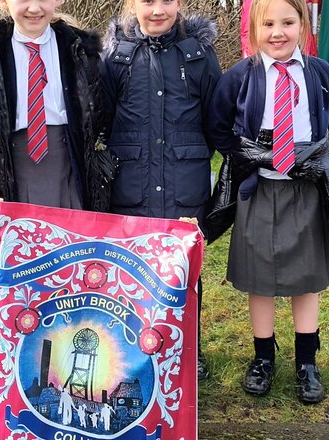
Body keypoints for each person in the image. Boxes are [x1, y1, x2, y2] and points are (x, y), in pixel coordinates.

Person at [206, 0, 329, 404]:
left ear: (303, 24)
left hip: (305, 192)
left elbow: (327, 119)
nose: (277, 32)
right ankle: (263, 358)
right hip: (257, 191)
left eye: (287, 22)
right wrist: (250, 159)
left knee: (305, 279)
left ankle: (306, 362)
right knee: (258, 279)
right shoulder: (240, 76)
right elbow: (218, 124)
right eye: (268, 24)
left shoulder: (318, 73)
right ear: (253, 28)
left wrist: (303, 159)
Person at [100, 0, 222, 381]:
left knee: (184, 275)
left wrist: (189, 158)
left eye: (166, 1)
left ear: (180, 3)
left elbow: (214, 121)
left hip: (183, 187)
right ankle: (133, 349)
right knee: (131, 274)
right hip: (131, 187)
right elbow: (102, 119)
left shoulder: (199, 55)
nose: (157, 10)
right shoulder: (116, 57)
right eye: (147, 1)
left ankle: (189, 348)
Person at [0, 0, 104, 210]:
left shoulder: (80, 49)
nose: (34, 8)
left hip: (69, 163)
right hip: (13, 165)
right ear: (4, 3)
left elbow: (100, 113)